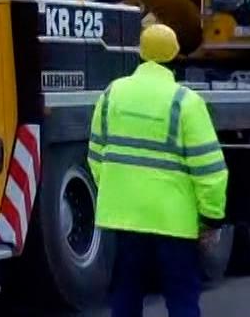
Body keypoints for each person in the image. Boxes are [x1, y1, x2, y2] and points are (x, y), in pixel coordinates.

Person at [88, 22, 227, 317]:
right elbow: (210, 169)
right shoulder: (185, 102)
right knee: (182, 301)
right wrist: (211, 219)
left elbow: (97, 155)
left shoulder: (112, 94)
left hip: (124, 219)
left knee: (125, 296)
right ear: (175, 59)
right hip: (174, 223)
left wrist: (119, 192)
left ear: (140, 55)